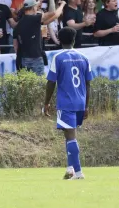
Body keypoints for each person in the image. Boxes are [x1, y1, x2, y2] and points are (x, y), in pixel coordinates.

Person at [43, 27, 93, 180]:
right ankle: (70, 168)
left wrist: (46, 103)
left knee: (71, 136)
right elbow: (88, 83)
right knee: (69, 134)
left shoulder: (58, 57)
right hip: (80, 101)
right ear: (74, 39)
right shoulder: (84, 57)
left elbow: (51, 82)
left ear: (59, 39)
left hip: (66, 102)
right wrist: (86, 105)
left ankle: (78, 173)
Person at [14, 0, 66, 76]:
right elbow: (54, 13)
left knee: (24, 86)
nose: (38, 7)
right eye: (36, 6)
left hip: (22, 58)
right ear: (33, 8)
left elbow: (15, 45)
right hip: (35, 58)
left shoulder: (19, 24)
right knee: (38, 85)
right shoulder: (34, 19)